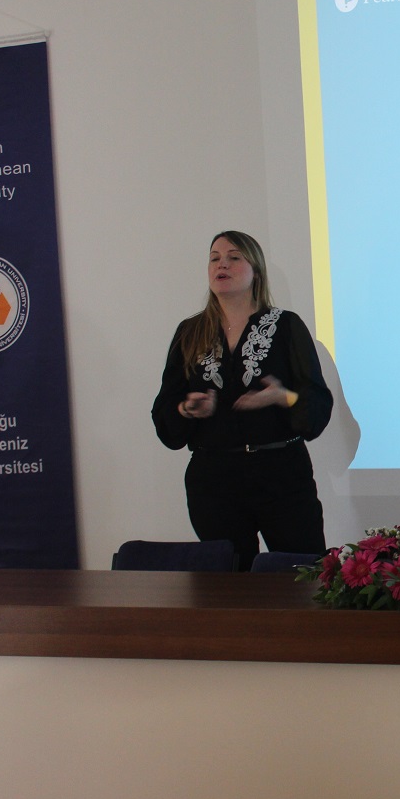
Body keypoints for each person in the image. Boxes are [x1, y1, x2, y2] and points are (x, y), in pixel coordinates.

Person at [152, 231, 333, 570]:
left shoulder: (286, 326)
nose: (222, 264)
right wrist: (186, 408)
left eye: (234, 257)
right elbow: (165, 410)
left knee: (302, 575)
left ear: (256, 270)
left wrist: (283, 397)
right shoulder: (190, 332)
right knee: (228, 583)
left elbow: (317, 404)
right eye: (215, 258)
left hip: (282, 476)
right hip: (214, 482)